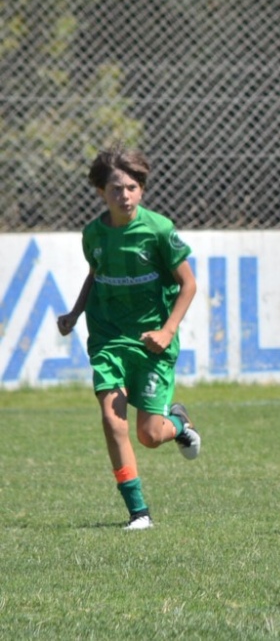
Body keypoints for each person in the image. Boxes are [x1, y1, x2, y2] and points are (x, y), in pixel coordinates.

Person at [57, 144, 201, 531]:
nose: (125, 195)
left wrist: (167, 331)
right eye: (116, 188)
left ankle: (179, 423)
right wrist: (75, 313)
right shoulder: (94, 234)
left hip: (153, 342)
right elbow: (95, 274)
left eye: (132, 187)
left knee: (151, 435)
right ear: (101, 192)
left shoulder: (158, 230)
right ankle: (139, 512)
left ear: (142, 189)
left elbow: (188, 284)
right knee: (112, 420)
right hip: (108, 337)